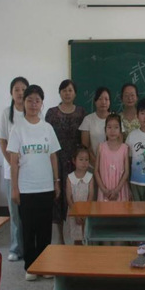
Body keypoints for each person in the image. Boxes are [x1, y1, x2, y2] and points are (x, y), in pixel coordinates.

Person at [7, 85, 61, 281]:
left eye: (37, 100)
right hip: (26, 188)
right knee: (28, 229)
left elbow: (53, 157)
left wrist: (56, 182)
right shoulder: (18, 128)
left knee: (45, 229)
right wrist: (15, 188)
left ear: (42, 104)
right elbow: (14, 161)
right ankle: (30, 266)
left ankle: (45, 265)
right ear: (24, 103)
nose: (33, 104)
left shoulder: (47, 128)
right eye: (29, 100)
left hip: (45, 186)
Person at [45, 79, 86, 245]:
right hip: (56, 161)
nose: (67, 93)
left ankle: (77, 238)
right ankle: (60, 239)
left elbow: (83, 140)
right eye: (64, 90)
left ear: (75, 93)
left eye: (70, 90)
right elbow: (46, 138)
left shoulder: (81, 112)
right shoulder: (51, 113)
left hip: (75, 162)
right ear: (59, 93)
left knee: (75, 197)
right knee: (58, 198)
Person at [0, 76, 28, 262]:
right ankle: (15, 248)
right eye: (17, 89)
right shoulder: (6, 113)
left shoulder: (34, 112)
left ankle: (28, 247)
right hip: (11, 172)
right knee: (15, 213)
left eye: (24, 89)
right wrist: (13, 164)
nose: (21, 93)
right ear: (11, 93)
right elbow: (2, 140)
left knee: (28, 212)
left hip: (30, 172)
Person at [95, 113, 130, 201]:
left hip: (120, 190)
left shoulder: (125, 148)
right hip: (104, 190)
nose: (112, 131)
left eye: (116, 127)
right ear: (105, 129)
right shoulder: (100, 147)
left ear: (120, 130)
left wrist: (116, 190)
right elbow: (96, 171)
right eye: (109, 127)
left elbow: (126, 172)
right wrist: (104, 190)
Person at [65, 147, 95, 244]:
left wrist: (85, 213)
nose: (84, 163)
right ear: (74, 161)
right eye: (81, 159)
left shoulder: (90, 177)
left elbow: (91, 195)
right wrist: (76, 214)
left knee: (87, 236)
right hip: (74, 212)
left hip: (87, 211)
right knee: (77, 238)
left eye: (86, 160)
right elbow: (69, 197)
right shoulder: (70, 177)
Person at [79, 87, 111, 167]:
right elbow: (85, 146)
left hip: (112, 165)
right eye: (100, 99)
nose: (103, 102)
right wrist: (96, 163)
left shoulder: (116, 119)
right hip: (92, 164)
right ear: (95, 101)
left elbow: (119, 143)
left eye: (106, 99)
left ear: (109, 102)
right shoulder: (88, 119)